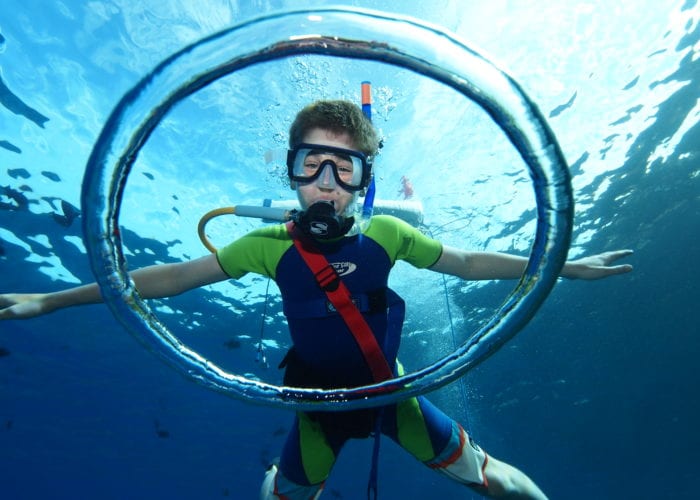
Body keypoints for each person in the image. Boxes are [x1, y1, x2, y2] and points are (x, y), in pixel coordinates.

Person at [0, 100, 633, 499]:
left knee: (500, 483)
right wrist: (52, 301)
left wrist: (564, 266)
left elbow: (466, 263)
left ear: (365, 181)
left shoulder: (388, 232)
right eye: (312, 164)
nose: (326, 184)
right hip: (315, 407)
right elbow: (168, 278)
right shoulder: (267, 245)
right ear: (291, 172)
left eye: (344, 167)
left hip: (393, 393)